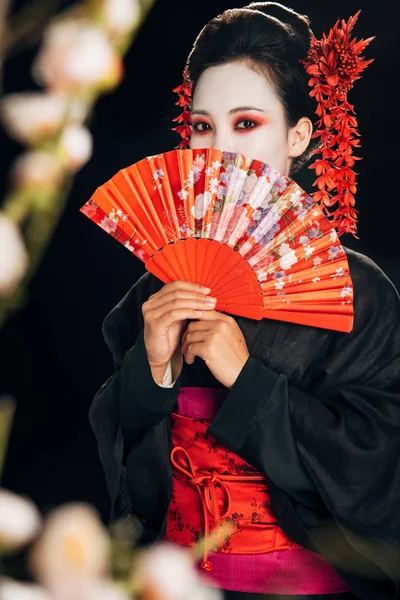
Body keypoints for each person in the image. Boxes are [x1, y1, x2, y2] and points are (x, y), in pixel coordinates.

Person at [88, 3, 400, 599]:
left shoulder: (360, 296)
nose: (219, 150)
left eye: (247, 123)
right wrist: (150, 373)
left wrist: (247, 378)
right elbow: (135, 492)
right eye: (203, 127)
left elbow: (377, 469)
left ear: (299, 136)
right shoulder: (159, 288)